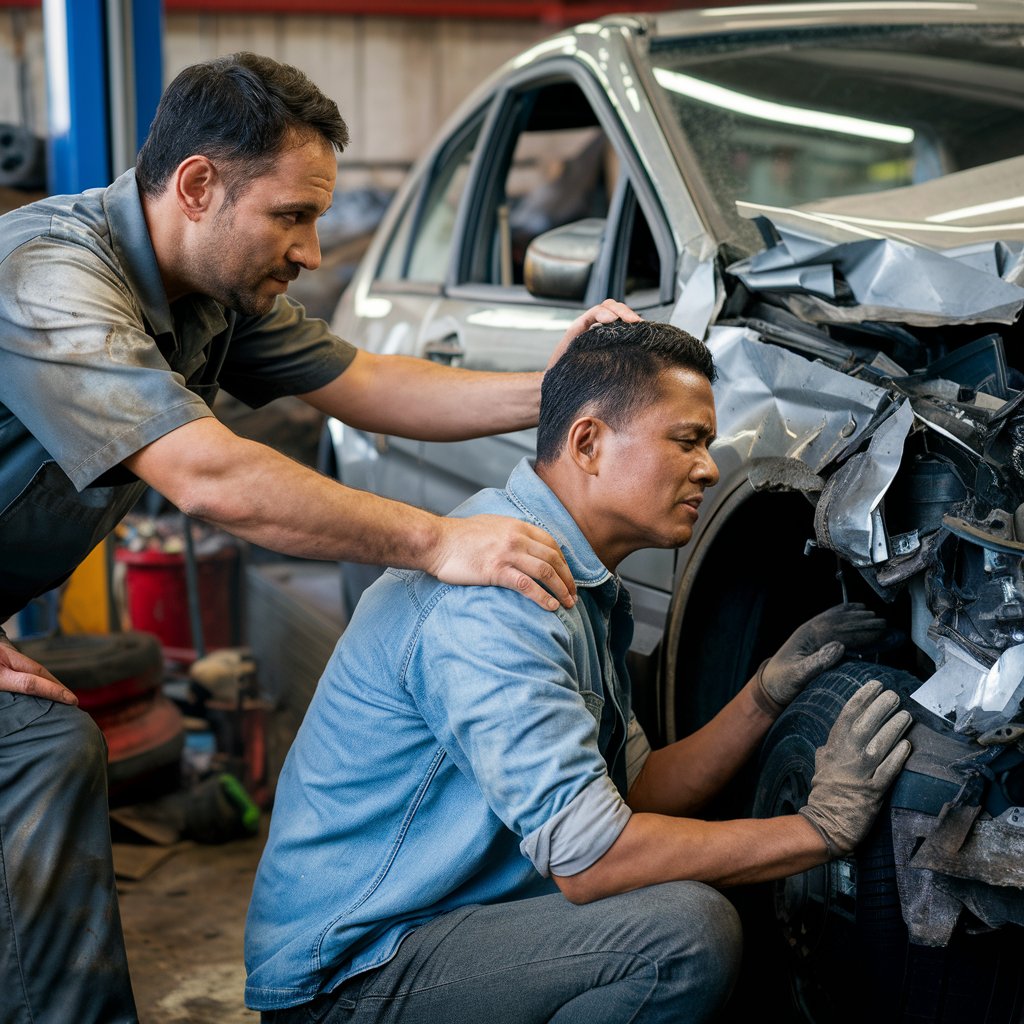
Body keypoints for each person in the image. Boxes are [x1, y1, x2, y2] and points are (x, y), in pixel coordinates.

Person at [0, 52, 635, 1024]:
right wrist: (435, 541)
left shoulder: (208, 290)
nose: (310, 249)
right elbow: (205, 473)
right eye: (292, 216)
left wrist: (564, 395)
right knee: (39, 752)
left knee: (44, 752)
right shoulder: (53, 277)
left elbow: (367, 383)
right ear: (199, 185)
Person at [245, 319, 913, 1023]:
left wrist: (765, 693)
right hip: (353, 975)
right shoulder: (500, 603)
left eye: (709, 445)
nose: (710, 469)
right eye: (687, 440)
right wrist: (818, 831)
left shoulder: (574, 580)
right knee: (682, 935)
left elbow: (641, 791)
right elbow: (591, 858)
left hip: (442, 928)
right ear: (588, 443)